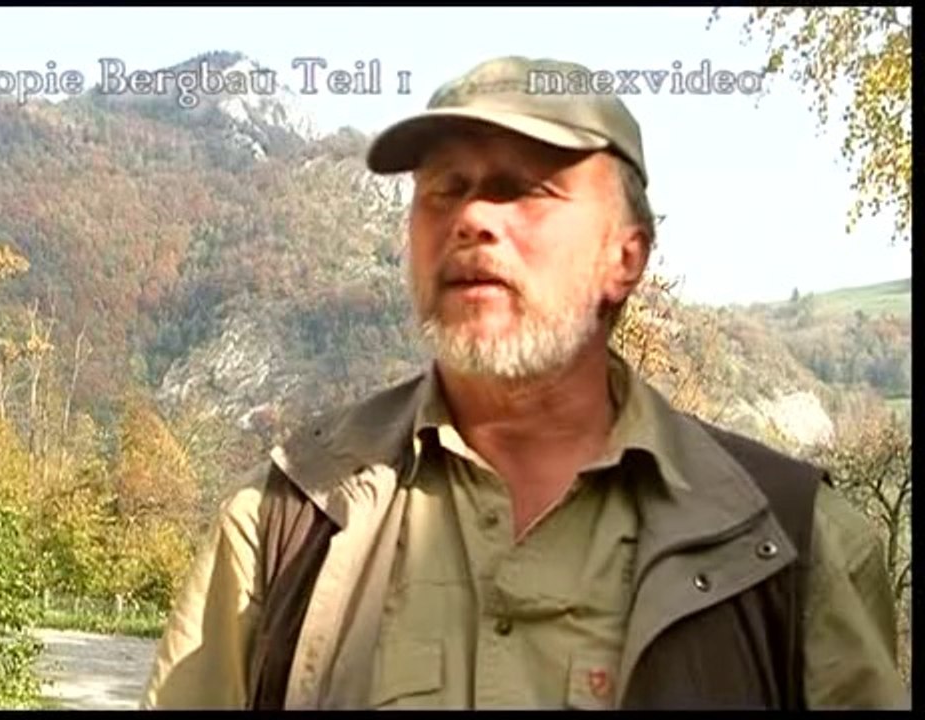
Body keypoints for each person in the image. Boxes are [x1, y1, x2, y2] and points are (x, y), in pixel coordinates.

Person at [140, 56, 908, 710]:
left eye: (527, 189)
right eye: (445, 187)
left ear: (626, 257)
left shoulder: (788, 541)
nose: (473, 216)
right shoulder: (286, 521)